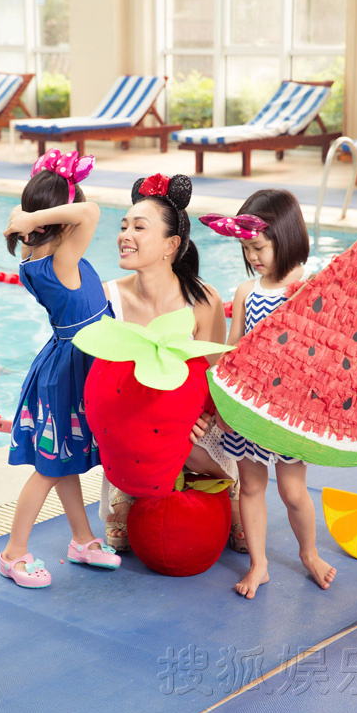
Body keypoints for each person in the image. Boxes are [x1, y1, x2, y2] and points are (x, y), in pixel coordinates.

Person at [204, 188, 357, 600]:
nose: (252, 256)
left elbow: (349, 316)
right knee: (251, 488)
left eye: (258, 247)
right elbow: (232, 349)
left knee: (292, 493)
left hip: (292, 414)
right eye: (246, 249)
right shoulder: (246, 292)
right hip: (249, 410)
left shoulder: (312, 285)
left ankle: (308, 552)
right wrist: (219, 397)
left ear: (285, 236)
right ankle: (260, 563)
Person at [100, 173, 242, 551]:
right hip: (133, 422)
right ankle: (129, 489)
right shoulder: (108, 298)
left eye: (139, 227)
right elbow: (102, 383)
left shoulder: (202, 299)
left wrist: (201, 418)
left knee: (209, 439)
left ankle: (230, 487)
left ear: (171, 245)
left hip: (190, 420)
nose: (124, 235)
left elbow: (215, 375)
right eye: (124, 225)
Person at [0, 149, 121, 589]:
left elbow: (75, 213)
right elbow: (91, 210)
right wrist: (39, 218)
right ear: (61, 224)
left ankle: (81, 538)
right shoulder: (60, 262)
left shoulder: (34, 261)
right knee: (50, 467)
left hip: (68, 364)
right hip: (72, 368)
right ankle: (14, 552)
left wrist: (28, 218)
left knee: (63, 460)